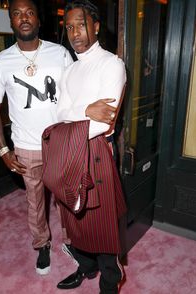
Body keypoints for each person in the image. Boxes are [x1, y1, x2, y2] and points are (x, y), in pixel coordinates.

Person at [42, 0, 127, 293]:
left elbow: (104, 124)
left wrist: (77, 114)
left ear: (96, 26)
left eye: (81, 24)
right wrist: (86, 109)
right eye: (69, 27)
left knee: (101, 226)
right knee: (75, 219)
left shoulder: (112, 64)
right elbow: (59, 115)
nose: (75, 32)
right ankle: (86, 268)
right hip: (70, 152)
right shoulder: (69, 71)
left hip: (96, 154)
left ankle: (109, 282)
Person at [0, 0, 74, 275]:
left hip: (60, 143)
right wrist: (3, 150)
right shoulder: (1, 63)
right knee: (35, 203)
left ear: (38, 19)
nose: (23, 18)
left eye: (29, 12)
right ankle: (42, 245)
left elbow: (76, 92)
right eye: (17, 14)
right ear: (11, 21)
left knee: (66, 200)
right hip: (25, 146)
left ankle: (71, 241)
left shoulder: (59, 54)